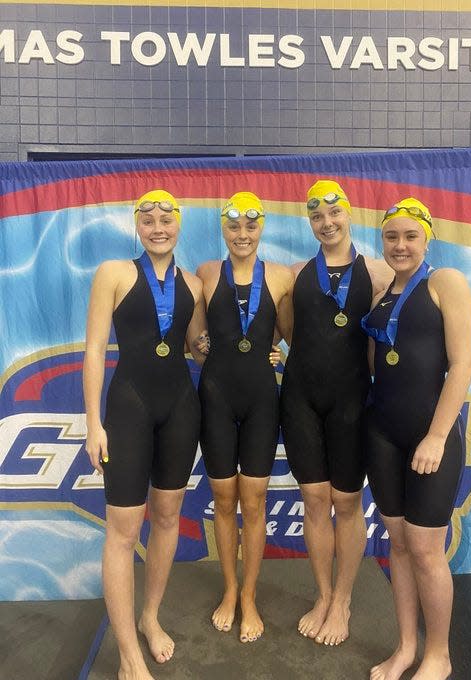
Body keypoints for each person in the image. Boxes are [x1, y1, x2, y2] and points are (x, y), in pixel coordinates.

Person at [83, 189, 207, 680]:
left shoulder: (194, 283)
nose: (158, 228)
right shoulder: (113, 273)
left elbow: (198, 349)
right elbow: (94, 350)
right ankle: (127, 654)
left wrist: (237, 349)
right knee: (124, 528)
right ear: (137, 226)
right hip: (128, 407)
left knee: (169, 514)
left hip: (180, 406)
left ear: (179, 225)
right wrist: (93, 423)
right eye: (149, 220)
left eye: (166, 220)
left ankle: (150, 617)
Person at [362, 197, 471, 680]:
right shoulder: (382, 293)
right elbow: (374, 366)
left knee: (427, 549)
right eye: (392, 236)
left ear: (427, 238)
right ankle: (406, 647)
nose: (401, 245)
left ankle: (439, 655)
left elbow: (463, 364)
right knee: (400, 545)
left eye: (410, 236)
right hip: (384, 433)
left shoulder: (444, 282)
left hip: (430, 436)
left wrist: (435, 435)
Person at [280, 179, 392, 646]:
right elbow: (288, 333)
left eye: (334, 214)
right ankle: (323, 595)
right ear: (310, 222)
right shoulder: (295, 274)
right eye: (317, 217)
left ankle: (343, 600)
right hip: (301, 398)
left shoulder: (380, 274)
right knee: (313, 501)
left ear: (348, 214)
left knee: (346, 504)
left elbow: (381, 344)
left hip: (351, 402)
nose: (327, 223)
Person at [196, 191, 293, 643]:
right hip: (215, 396)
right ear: (223, 228)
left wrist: (278, 351)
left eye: (250, 226)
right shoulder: (205, 274)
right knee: (223, 499)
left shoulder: (279, 277)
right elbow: (192, 340)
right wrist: (199, 346)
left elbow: (296, 336)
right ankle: (230, 590)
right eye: (234, 226)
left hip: (260, 400)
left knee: (253, 502)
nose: (242, 234)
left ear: (262, 228)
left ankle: (250, 595)